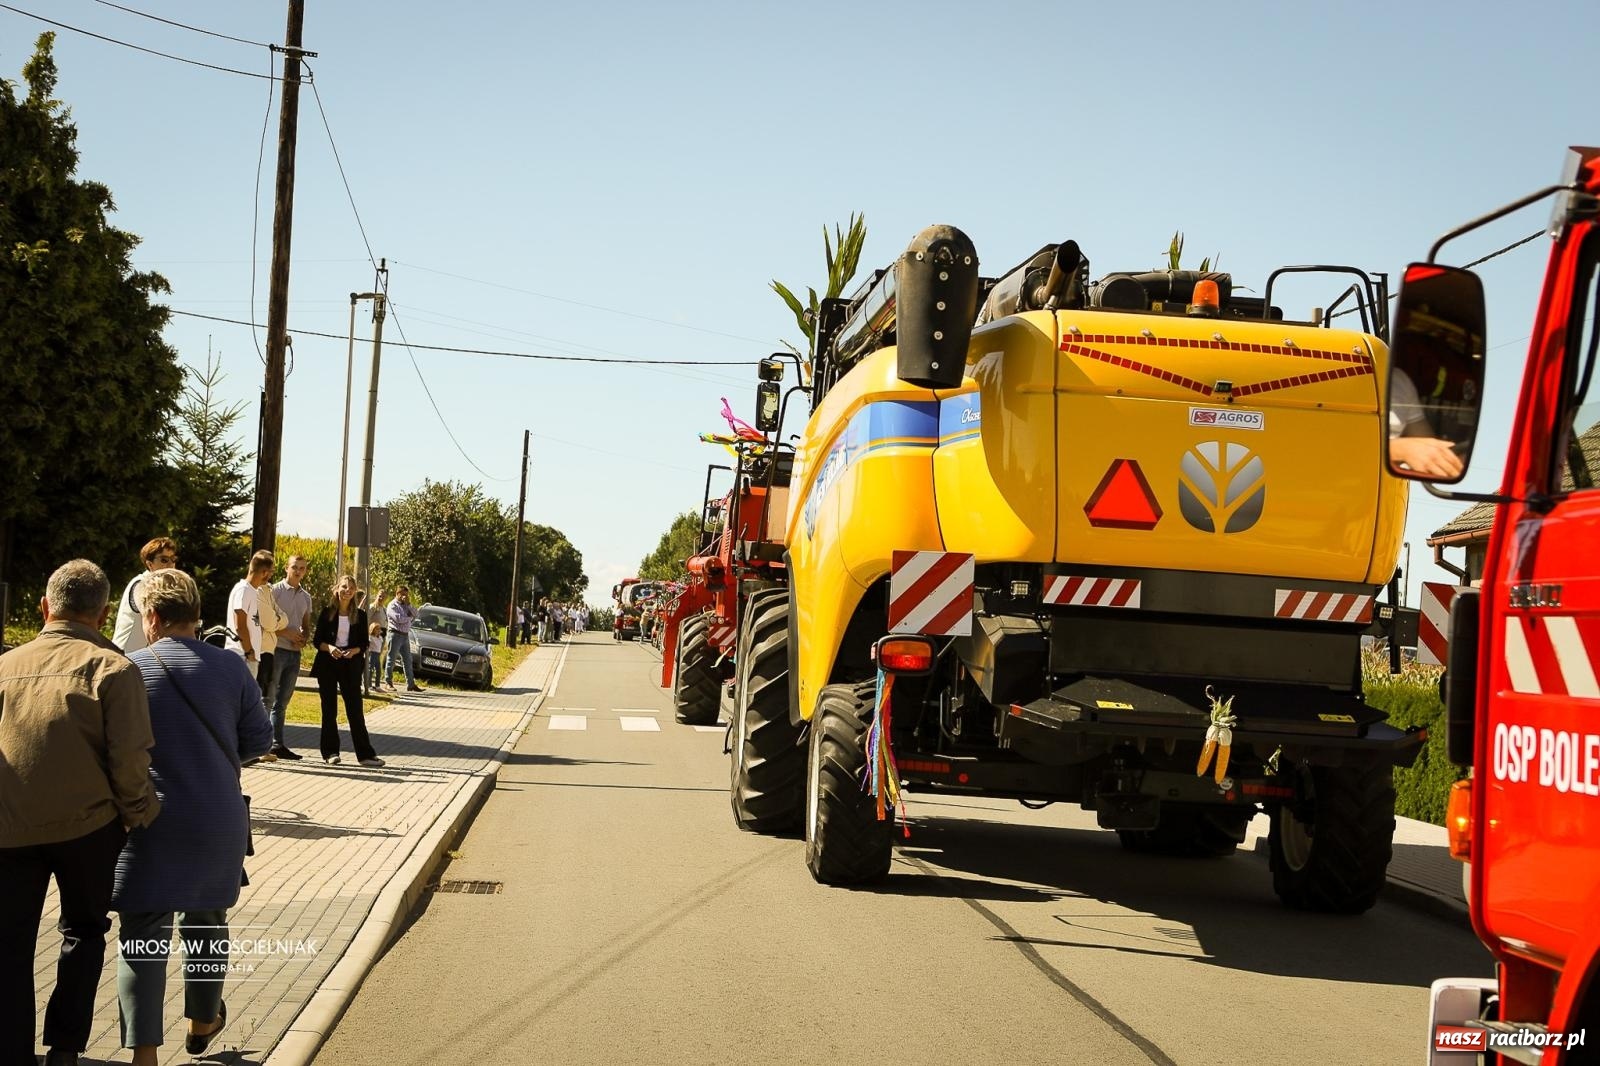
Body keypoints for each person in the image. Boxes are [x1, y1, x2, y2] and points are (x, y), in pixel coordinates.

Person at [0, 560, 161, 1066]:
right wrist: (139, 811)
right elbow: (129, 756)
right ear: (104, 612)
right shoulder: (115, 669)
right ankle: (65, 1050)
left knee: (9, 940)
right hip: (90, 827)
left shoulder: (5, 667)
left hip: (10, 826)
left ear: (45, 607)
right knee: (84, 932)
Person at [114, 569, 273, 1065]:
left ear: (154, 617)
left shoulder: (128, 671)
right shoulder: (231, 670)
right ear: (196, 615)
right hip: (217, 819)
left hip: (147, 820)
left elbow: (113, 749)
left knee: (142, 931)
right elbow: (260, 741)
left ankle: (144, 1055)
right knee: (206, 920)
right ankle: (203, 1021)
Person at [311, 575, 385, 767]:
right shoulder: (327, 612)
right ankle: (330, 752)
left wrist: (355, 650)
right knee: (329, 710)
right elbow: (317, 640)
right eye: (344, 587)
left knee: (355, 710)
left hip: (350, 665)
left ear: (354, 592)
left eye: (351, 588)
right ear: (337, 589)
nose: (347, 590)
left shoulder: (359, 615)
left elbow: (364, 642)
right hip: (328, 663)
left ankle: (365, 755)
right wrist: (330, 648)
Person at [265, 554, 314, 761]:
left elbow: (306, 624)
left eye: (302, 568)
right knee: (268, 698)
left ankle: (278, 744)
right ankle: (261, 745)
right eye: (295, 567)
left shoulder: (306, 597)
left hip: (295, 654)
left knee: (282, 702)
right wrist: (285, 633)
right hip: (276, 650)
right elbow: (263, 622)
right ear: (286, 568)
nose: (298, 571)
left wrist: (303, 638)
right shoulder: (273, 591)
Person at [224, 552, 287, 698]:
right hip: (241, 655)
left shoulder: (252, 591)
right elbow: (240, 624)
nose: (271, 576)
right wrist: (249, 651)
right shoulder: (244, 590)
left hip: (247, 656)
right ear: (264, 572)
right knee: (241, 700)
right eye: (271, 572)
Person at [1389, 367, 1465, 480]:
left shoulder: (1400, 379)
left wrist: (1453, 456)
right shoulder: (1354, 371)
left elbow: (1425, 440)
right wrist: (1400, 450)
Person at [111, 538, 178, 653]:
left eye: (173, 559)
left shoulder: (157, 586)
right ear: (150, 564)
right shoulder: (140, 584)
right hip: (124, 656)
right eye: (164, 560)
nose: (171, 564)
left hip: (139, 659)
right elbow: (158, 616)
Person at [383, 585, 420, 692]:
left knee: (408, 660)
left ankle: (411, 684)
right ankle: (388, 682)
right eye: (403, 594)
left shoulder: (406, 605)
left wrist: (409, 604)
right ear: (397, 594)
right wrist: (409, 617)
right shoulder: (392, 605)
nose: (404, 597)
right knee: (392, 658)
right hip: (394, 634)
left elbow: (416, 614)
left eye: (406, 595)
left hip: (404, 635)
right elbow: (399, 619)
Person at [366, 621, 385, 695]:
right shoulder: (370, 637)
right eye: (376, 629)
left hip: (377, 654)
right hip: (372, 653)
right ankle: (369, 685)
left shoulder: (380, 637)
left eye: (379, 629)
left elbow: (381, 646)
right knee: (370, 669)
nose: (378, 630)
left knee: (378, 670)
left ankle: (377, 686)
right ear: (372, 629)